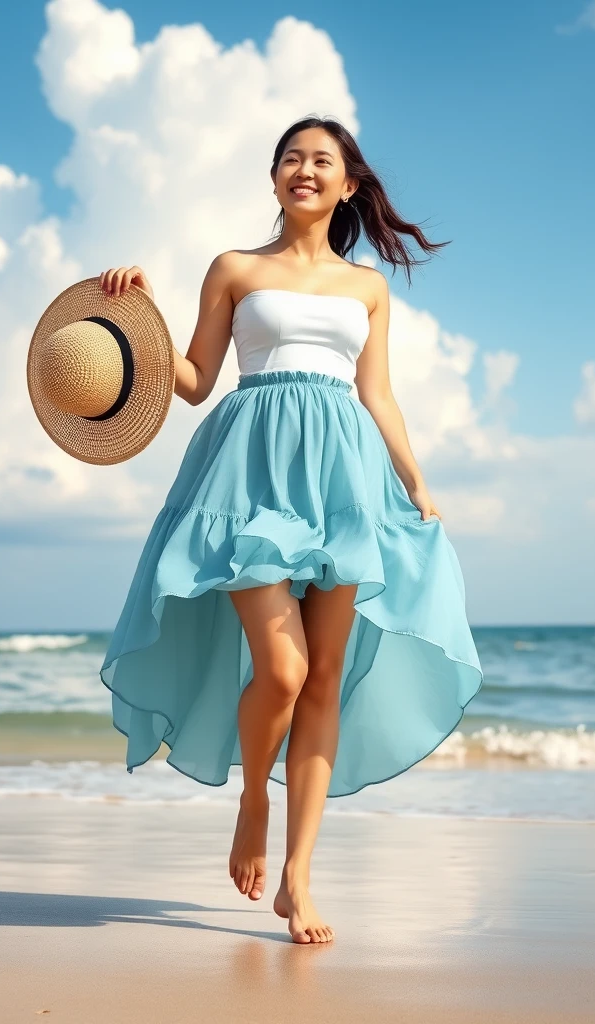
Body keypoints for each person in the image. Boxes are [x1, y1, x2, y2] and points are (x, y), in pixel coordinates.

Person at [97, 116, 483, 945]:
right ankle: (252, 800)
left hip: (347, 478)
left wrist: (413, 479)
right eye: (291, 158)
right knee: (282, 666)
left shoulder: (367, 288)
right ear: (274, 178)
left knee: (324, 677)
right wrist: (144, 318)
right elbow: (196, 381)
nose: (304, 170)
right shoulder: (235, 269)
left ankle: (300, 879)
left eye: (323, 161)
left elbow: (376, 394)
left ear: (348, 185)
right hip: (249, 477)